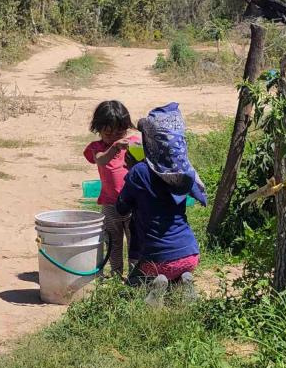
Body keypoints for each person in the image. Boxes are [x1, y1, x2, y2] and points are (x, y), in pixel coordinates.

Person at [116, 102, 206, 306]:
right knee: (176, 269)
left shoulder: (139, 172)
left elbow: (121, 207)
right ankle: (183, 279)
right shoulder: (183, 172)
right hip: (190, 254)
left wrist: (131, 171)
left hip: (157, 259)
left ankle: (154, 286)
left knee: (132, 284)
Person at [83, 100, 140, 276]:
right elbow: (100, 160)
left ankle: (135, 275)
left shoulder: (133, 143)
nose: (114, 136)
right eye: (108, 133)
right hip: (110, 205)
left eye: (119, 132)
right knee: (113, 242)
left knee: (135, 241)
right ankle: (116, 274)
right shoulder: (97, 148)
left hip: (134, 204)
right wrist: (114, 148)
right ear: (98, 129)